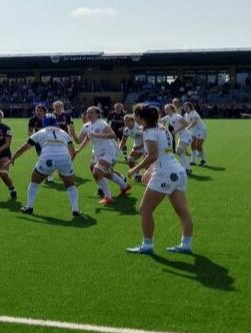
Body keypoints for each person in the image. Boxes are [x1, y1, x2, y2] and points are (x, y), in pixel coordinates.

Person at [126, 104, 194, 255]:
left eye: (135, 114)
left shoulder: (149, 131)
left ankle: (147, 245)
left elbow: (153, 155)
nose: (134, 117)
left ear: (140, 117)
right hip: (178, 171)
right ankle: (186, 244)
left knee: (145, 210)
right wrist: (149, 171)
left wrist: (134, 169)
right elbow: (163, 152)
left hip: (165, 172)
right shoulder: (161, 127)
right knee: (183, 211)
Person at [10, 114, 84, 218]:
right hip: (65, 159)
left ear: (43, 123)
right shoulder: (64, 133)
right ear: (56, 123)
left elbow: (23, 148)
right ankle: (76, 210)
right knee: (71, 185)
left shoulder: (40, 132)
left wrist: (13, 158)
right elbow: (72, 152)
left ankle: (29, 207)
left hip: (47, 159)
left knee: (34, 182)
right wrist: (68, 163)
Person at [75, 105, 131, 205]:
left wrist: (96, 135)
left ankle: (108, 197)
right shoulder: (86, 126)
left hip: (108, 151)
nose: (89, 114)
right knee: (102, 172)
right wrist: (71, 132)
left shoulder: (101, 123)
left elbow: (112, 135)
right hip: (98, 152)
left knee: (97, 171)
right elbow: (79, 141)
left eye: (91, 112)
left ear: (97, 114)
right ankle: (124, 186)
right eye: (88, 112)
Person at [183, 101, 208, 167]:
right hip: (193, 131)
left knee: (197, 145)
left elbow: (194, 122)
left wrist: (187, 128)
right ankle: (193, 161)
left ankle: (202, 159)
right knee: (193, 146)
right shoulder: (185, 115)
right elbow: (185, 123)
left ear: (190, 107)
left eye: (186, 107)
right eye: (184, 107)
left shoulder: (194, 113)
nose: (185, 108)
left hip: (201, 130)